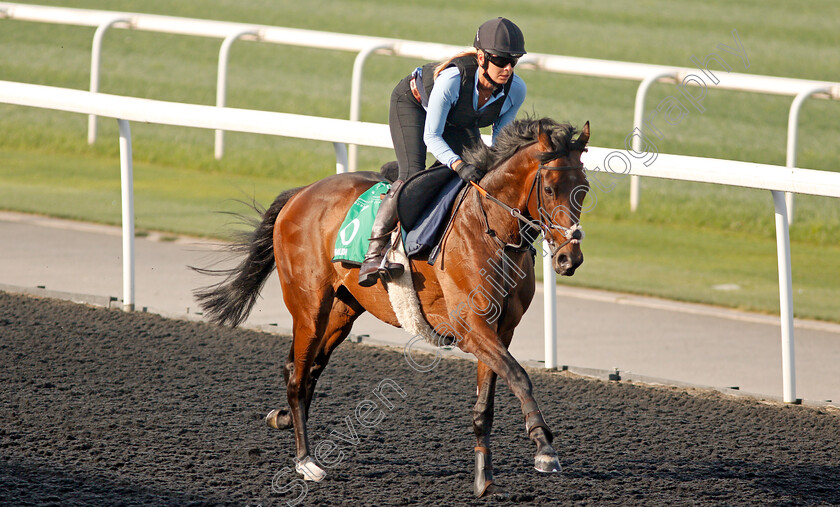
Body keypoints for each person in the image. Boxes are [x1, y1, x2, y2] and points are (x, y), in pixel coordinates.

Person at [358, 17, 528, 287]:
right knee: (413, 172)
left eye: (513, 61)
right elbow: (432, 136)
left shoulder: (516, 90)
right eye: (500, 60)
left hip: (458, 119)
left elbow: (500, 142)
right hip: (413, 104)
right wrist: (459, 165)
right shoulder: (451, 79)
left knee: (481, 170)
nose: (507, 69)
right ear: (482, 58)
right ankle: (374, 253)